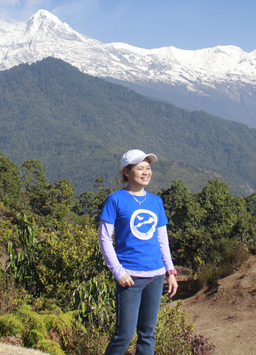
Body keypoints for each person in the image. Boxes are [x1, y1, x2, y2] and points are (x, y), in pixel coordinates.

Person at [99, 149, 178, 355]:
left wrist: (170, 272)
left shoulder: (156, 202)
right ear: (126, 171)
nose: (146, 172)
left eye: (148, 168)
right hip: (130, 277)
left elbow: (162, 239)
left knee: (147, 334)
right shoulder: (115, 200)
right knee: (123, 335)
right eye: (140, 168)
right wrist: (118, 271)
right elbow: (105, 239)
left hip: (156, 275)